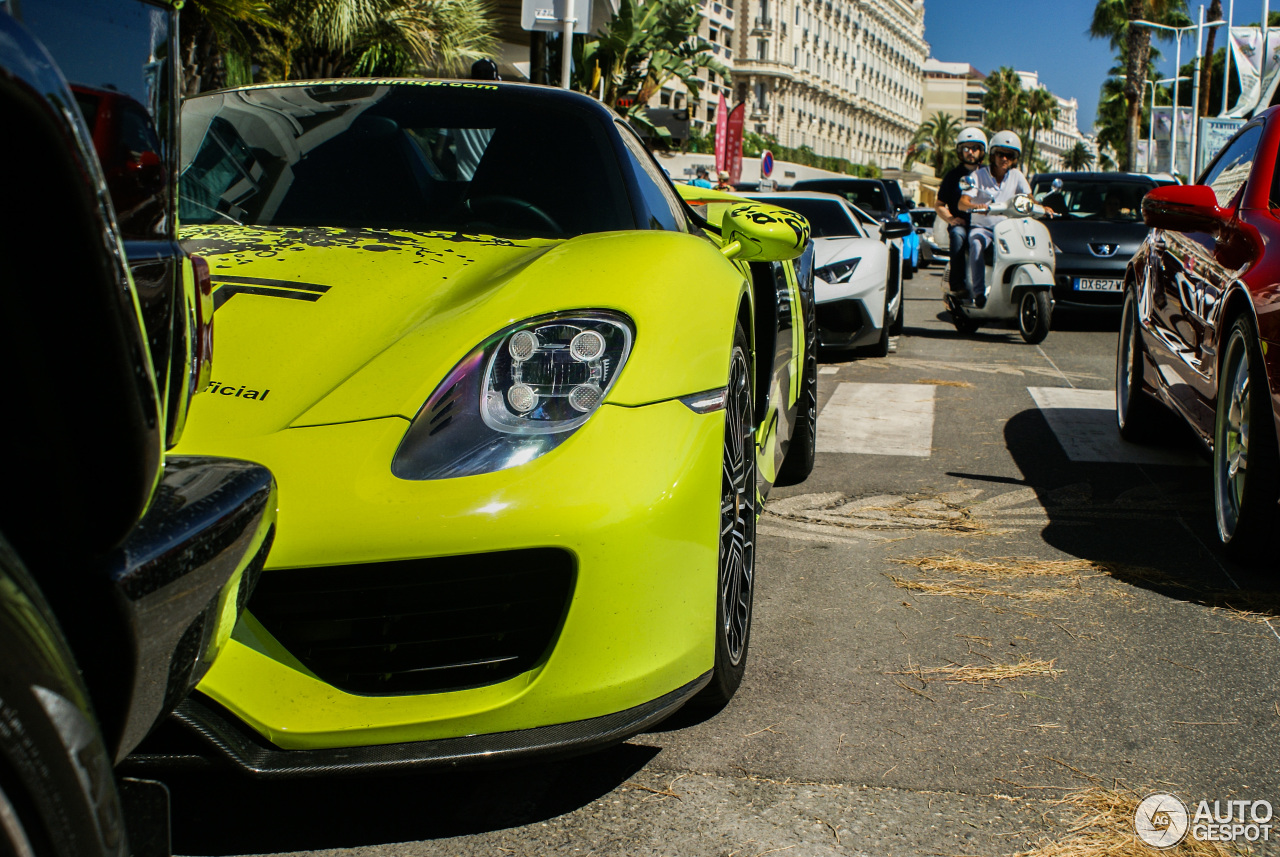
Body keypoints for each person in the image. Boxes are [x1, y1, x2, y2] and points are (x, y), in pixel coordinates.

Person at [958, 130, 1031, 308]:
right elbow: (962, 202)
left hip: (1008, 228)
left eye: (1009, 155)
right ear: (992, 154)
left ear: (1014, 158)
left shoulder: (1017, 176)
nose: (1004, 159)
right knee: (976, 243)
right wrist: (976, 207)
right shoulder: (977, 176)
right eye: (1000, 154)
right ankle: (978, 293)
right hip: (983, 228)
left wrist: (1041, 207)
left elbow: (1028, 198)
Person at [935, 127, 986, 297]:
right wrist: (951, 219)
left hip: (986, 223)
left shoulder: (988, 174)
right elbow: (939, 204)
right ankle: (957, 285)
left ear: (982, 151)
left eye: (975, 148)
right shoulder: (952, 176)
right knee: (957, 235)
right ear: (960, 151)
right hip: (963, 224)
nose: (970, 152)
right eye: (966, 148)